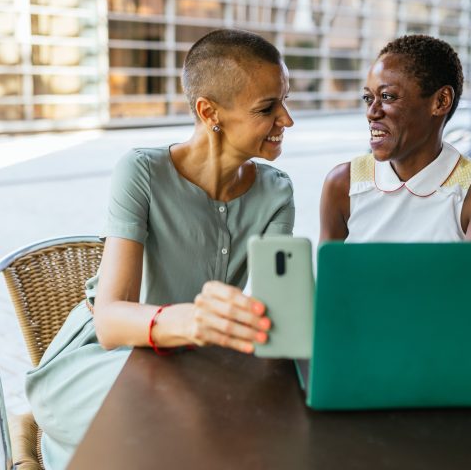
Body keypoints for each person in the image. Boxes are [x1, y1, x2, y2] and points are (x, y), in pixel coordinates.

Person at [26, 29, 295, 469]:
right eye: (267, 107)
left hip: (195, 367)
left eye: (283, 101)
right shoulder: (142, 171)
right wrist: (196, 321)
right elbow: (111, 320)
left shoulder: (276, 192)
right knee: (192, 426)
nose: (286, 119)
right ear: (210, 113)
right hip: (101, 362)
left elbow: (272, 308)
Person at [320, 34, 471, 243]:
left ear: (441, 101)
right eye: (369, 98)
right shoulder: (343, 184)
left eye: (387, 97)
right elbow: (329, 275)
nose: (371, 112)